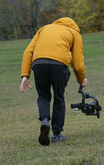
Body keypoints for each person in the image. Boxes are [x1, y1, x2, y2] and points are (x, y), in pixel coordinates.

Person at [20, 17, 87, 146]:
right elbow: (78, 64)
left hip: (39, 63)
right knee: (59, 97)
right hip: (59, 65)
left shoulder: (44, 28)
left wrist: (25, 75)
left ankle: (45, 121)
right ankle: (56, 134)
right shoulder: (74, 33)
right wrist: (81, 80)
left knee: (43, 96)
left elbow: (28, 51)